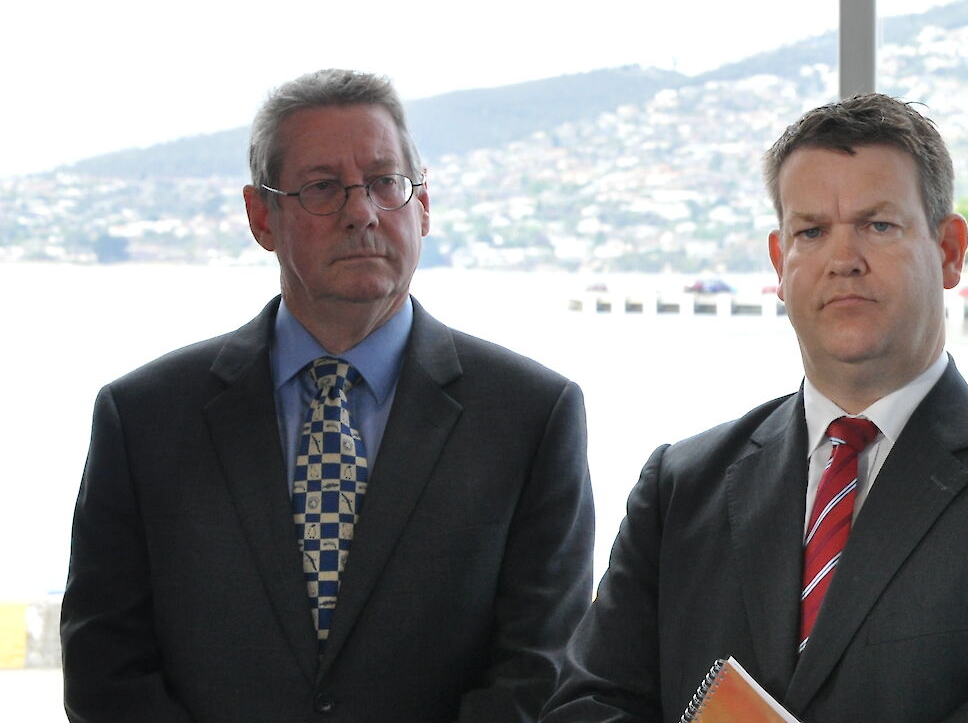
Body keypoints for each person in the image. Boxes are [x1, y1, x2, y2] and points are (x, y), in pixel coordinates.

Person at [542, 93, 968, 723]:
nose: (843, 261)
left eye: (879, 225)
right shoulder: (681, 484)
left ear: (950, 250)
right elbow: (587, 704)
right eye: (812, 232)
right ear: (780, 265)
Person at [61, 69, 594, 722]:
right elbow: (104, 669)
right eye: (321, 188)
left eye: (384, 183)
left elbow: (540, 671)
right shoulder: (143, 418)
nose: (362, 212)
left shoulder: (532, 416)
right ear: (262, 216)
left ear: (422, 206)